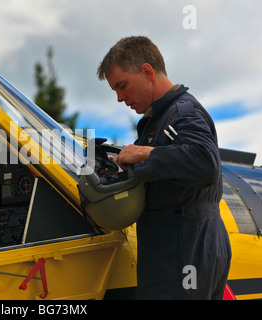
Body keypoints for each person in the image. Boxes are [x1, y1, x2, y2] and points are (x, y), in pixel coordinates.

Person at [97, 36, 231, 299]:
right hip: (189, 244)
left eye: (122, 86)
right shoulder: (158, 120)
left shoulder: (182, 112)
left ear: (147, 71)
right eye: (114, 91)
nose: (120, 98)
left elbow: (206, 162)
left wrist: (147, 153)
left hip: (183, 248)